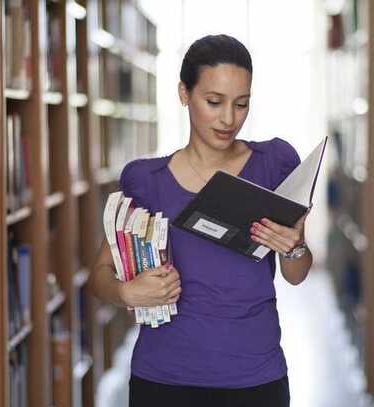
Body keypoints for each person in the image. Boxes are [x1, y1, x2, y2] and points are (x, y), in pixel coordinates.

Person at [90, 34, 313, 407]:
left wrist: (295, 247)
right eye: (214, 102)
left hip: (256, 379)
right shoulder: (144, 181)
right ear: (184, 93)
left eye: (241, 104)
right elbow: (99, 275)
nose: (229, 119)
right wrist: (126, 292)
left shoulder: (276, 162)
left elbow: (297, 273)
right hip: (163, 380)